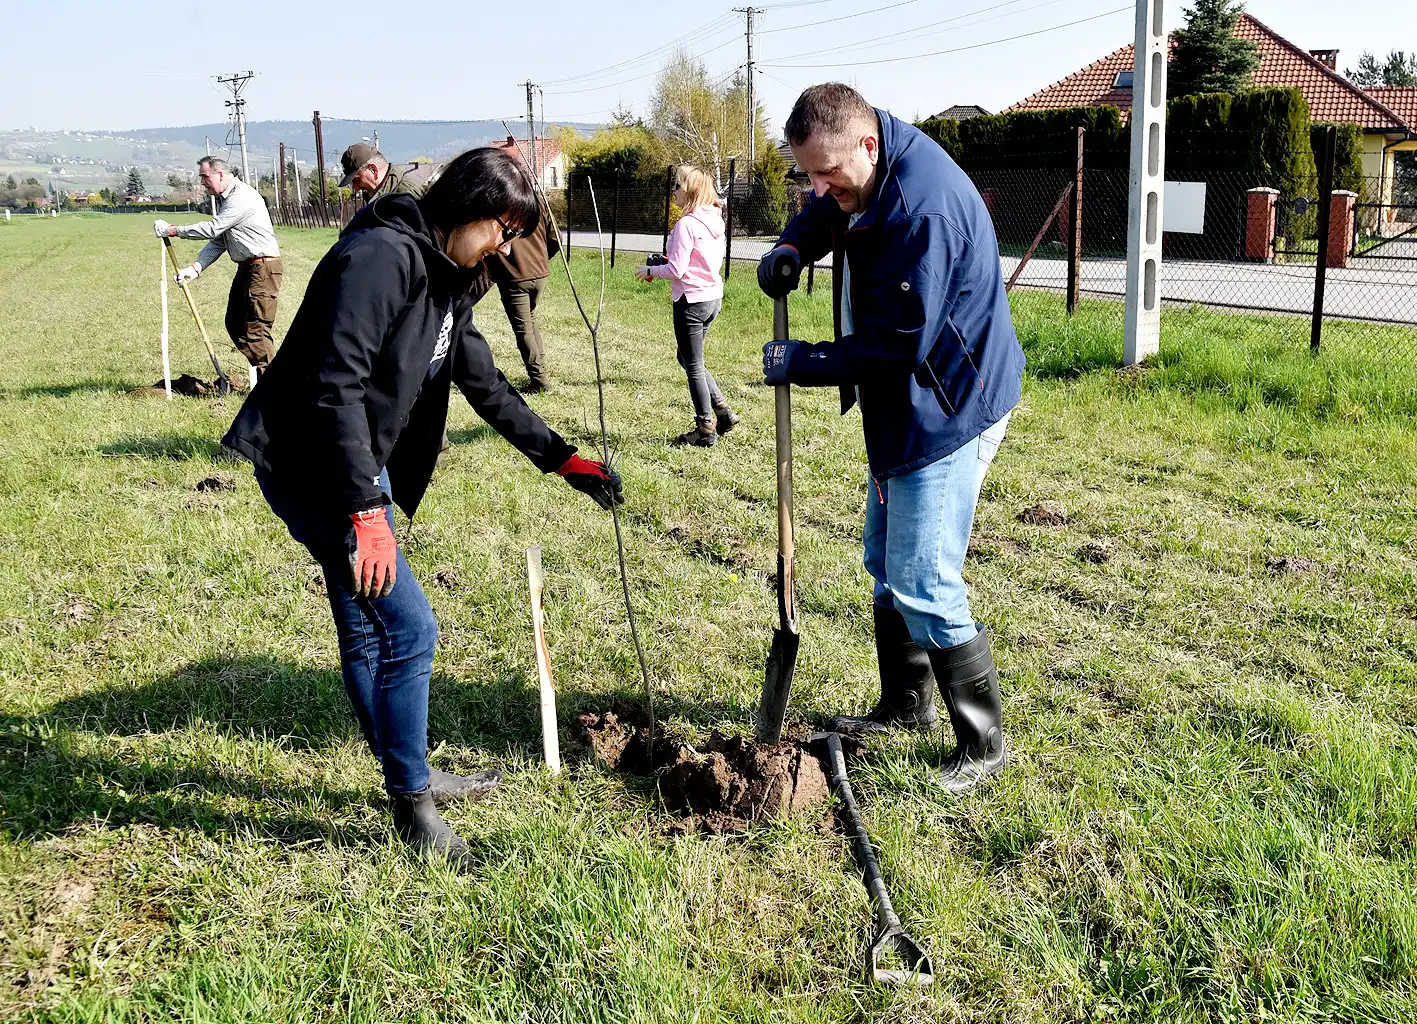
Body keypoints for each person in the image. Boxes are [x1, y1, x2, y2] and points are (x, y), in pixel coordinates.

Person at [221, 147, 625, 867]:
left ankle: (405, 771)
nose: (504, 248)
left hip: (352, 460)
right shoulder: (380, 258)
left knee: (366, 628)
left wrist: (562, 458)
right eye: (503, 230)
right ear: (469, 209)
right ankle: (413, 805)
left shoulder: (447, 274)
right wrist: (365, 511)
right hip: (314, 463)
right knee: (410, 629)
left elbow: (485, 383)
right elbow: (334, 388)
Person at [756, 84, 1025, 795]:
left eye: (827, 173)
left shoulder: (920, 212)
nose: (819, 188)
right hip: (906, 399)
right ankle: (906, 707)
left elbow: (897, 345)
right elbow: (832, 205)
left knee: (922, 574)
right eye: (807, 174)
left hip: (947, 403)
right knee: (885, 559)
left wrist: (805, 360)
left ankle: (984, 743)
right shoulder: (864, 167)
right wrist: (793, 244)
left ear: (868, 145)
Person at [635, 165, 740, 447]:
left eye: (678, 186)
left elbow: (677, 270)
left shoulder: (687, 225)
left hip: (691, 302)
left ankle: (706, 428)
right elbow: (696, 261)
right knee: (687, 358)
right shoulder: (714, 219)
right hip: (712, 298)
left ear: (690, 190)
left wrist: (650, 271)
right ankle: (723, 412)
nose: (674, 191)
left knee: (692, 365)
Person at [153, 156, 282, 374]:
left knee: (256, 330)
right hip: (246, 269)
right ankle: (265, 374)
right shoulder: (225, 200)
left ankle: (274, 384)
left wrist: (173, 230)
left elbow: (213, 229)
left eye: (205, 176)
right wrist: (196, 268)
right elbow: (219, 240)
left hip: (263, 269)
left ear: (220, 174)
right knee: (235, 323)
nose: (202, 182)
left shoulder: (240, 197)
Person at [485, 196, 560, 392]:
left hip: (514, 275)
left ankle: (539, 382)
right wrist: (541, 260)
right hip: (539, 273)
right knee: (530, 322)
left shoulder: (498, 199)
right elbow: (556, 238)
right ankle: (540, 371)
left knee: (524, 330)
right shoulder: (537, 199)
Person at [338, 143, 442, 201]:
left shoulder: (406, 195)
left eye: (356, 180)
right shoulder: (383, 197)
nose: (356, 188)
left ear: (373, 170)